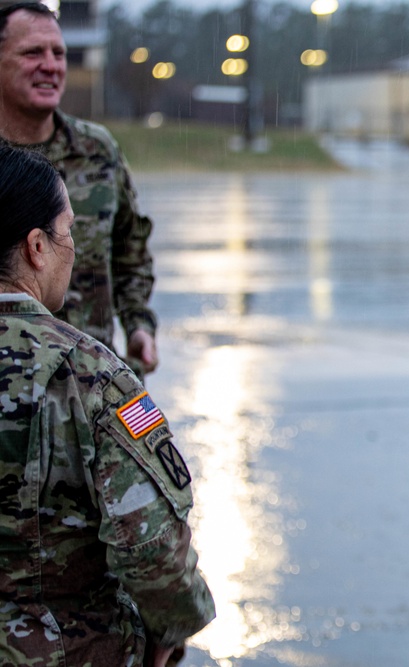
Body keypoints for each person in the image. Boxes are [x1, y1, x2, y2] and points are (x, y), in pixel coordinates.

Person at [0, 144, 214, 665]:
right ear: (36, 246)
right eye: (67, 231)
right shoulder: (91, 375)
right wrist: (172, 629)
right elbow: (152, 546)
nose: (72, 247)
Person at [0, 2, 158, 377]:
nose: (51, 65)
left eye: (59, 53)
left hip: (89, 379)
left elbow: (130, 247)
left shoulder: (98, 150)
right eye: (32, 52)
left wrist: (138, 324)